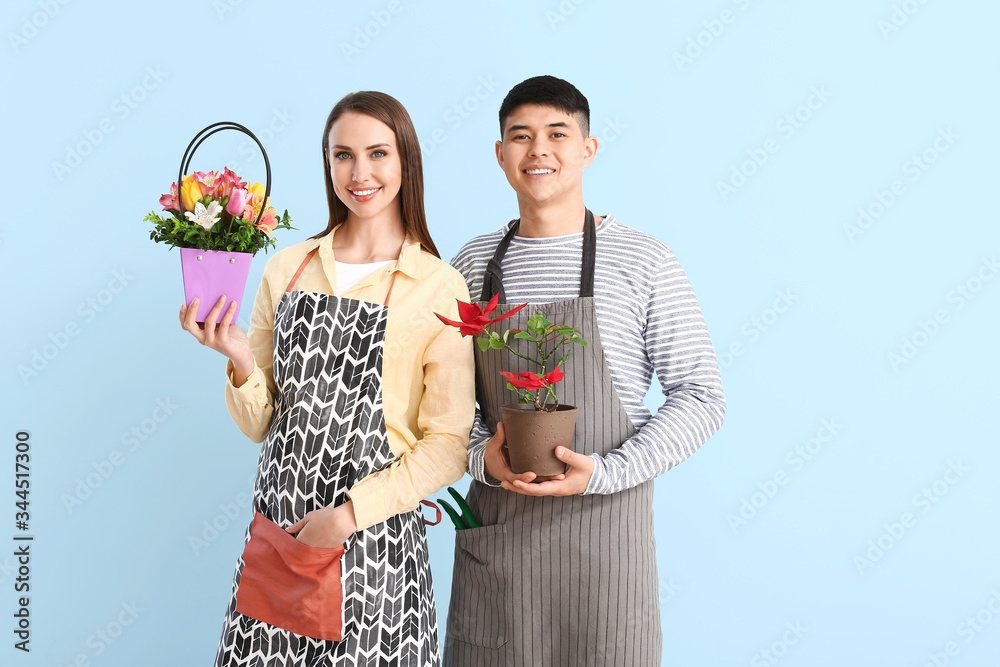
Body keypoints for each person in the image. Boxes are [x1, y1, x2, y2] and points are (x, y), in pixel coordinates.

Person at [179, 91, 475, 666]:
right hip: (281, 538)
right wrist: (239, 358)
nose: (360, 173)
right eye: (343, 155)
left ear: (406, 162)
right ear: (327, 163)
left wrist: (347, 517)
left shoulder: (440, 287)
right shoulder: (286, 268)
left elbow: (447, 447)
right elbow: (259, 423)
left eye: (377, 153)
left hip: (375, 554)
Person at [442, 76, 727, 666]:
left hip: (606, 548)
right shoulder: (471, 264)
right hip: (501, 547)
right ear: (500, 156)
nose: (538, 150)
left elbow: (701, 396)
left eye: (557, 134)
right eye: (520, 137)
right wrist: (480, 458)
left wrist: (605, 472)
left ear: (588, 149)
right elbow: (437, 400)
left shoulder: (643, 259)